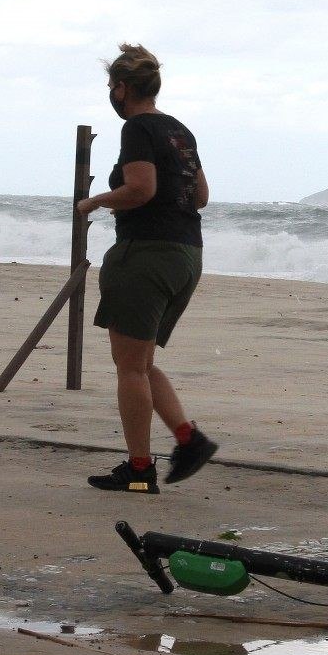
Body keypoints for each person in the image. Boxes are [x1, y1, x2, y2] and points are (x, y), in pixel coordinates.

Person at [75, 43, 218, 493]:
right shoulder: (180, 131)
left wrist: (95, 201)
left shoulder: (137, 129)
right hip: (186, 255)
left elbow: (140, 188)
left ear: (122, 88)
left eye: (111, 87)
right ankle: (188, 440)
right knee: (141, 361)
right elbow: (200, 197)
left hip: (147, 254)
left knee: (129, 368)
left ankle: (140, 469)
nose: (111, 95)